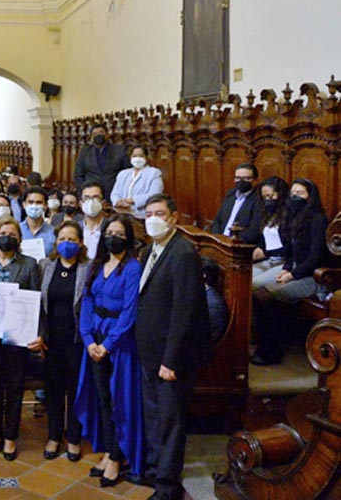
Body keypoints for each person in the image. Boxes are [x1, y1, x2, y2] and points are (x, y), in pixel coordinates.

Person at [136, 194, 211, 499]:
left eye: (160, 213)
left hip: (171, 357)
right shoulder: (149, 250)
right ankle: (156, 471)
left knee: (170, 420)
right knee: (155, 416)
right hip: (150, 352)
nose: (153, 218)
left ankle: (167, 485)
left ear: (174, 218)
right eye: (149, 213)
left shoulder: (183, 253)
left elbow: (185, 311)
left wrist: (171, 360)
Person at [74, 214, 145, 487]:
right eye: (109, 232)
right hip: (94, 340)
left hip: (120, 343)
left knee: (120, 399)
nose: (113, 237)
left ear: (127, 237)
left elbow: (129, 312)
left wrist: (107, 345)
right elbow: (87, 302)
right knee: (102, 398)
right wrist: (89, 339)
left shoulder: (132, 268)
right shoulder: (97, 264)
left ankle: (118, 456)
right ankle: (108, 449)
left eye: (119, 233)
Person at [0, 216, 41, 461]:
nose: (8, 237)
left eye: (13, 234)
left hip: (17, 335)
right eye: (3, 232)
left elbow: (36, 300)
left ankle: (11, 437)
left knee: (15, 387)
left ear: (20, 239)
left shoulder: (29, 264)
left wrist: (36, 333)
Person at [251, 179, 328, 365]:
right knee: (261, 293)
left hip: (313, 277)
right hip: (297, 270)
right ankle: (266, 342)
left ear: (310, 196)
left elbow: (314, 258)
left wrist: (292, 274)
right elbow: (293, 253)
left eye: (300, 193)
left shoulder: (318, 219)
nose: (295, 197)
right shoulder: (297, 218)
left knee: (266, 295)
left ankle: (273, 349)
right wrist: (286, 269)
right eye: (293, 193)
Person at [39, 220, 90, 463]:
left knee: (75, 391)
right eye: (62, 239)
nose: (66, 244)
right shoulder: (45, 266)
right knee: (54, 390)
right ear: (55, 242)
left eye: (72, 240)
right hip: (51, 340)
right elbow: (38, 305)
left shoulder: (89, 269)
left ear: (80, 243)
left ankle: (74, 437)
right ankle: (54, 435)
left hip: (77, 340)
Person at [72, 123, 131, 198]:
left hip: (115, 194)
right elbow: (78, 175)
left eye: (101, 132)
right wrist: (84, 192)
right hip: (92, 195)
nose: (98, 135)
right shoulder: (84, 152)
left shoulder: (120, 150)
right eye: (95, 133)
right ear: (91, 137)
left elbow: (128, 172)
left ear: (107, 135)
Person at [209, 163, 262, 244]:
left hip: (238, 245)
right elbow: (217, 220)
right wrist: (217, 238)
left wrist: (231, 241)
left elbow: (253, 232)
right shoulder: (231, 194)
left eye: (247, 178)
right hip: (220, 243)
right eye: (238, 178)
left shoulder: (258, 199)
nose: (241, 181)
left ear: (255, 180)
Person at [110, 145, 164, 218]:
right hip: (121, 214)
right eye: (134, 156)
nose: (137, 158)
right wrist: (117, 202)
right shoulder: (123, 174)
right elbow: (115, 193)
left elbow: (155, 194)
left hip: (142, 215)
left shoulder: (154, 173)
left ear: (146, 157)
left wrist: (133, 200)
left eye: (141, 156)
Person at [251, 176, 289, 277]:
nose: (268, 200)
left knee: (254, 284)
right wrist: (259, 248)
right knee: (242, 278)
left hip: (284, 262)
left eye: (270, 196)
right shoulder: (269, 214)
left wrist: (267, 253)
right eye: (264, 198)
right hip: (269, 260)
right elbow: (266, 238)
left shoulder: (290, 215)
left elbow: (291, 247)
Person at [20, 187, 56, 255]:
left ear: (46, 206)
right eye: (30, 202)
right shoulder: (17, 230)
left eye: (39, 202)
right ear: (24, 205)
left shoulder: (53, 233)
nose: (34, 206)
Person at [79, 181, 106, 259]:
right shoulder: (75, 228)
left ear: (103, 203)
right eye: (86, 197)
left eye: (95, 197)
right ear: (81, 204)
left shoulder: (110, 228)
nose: (91, 201)